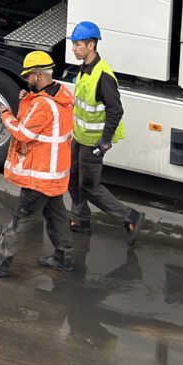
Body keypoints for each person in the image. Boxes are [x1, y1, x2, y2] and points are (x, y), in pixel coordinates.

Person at [0, 51, 77, 276]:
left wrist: (4, 115)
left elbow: (22, 132)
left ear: (38, 76)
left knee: (20, 220)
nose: (26, 80)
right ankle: (64, 258)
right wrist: (28, 98)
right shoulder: (61, 95)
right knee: (57, 217)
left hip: (38, 175)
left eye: (28, 77)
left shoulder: (43, 105)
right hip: (54, 174)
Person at [64, 21, 142, 236]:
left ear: (91, 45)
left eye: (78, 44)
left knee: (89, 186)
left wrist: (105, 140)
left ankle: (130, 216)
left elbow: (116, 110)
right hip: (80, 137)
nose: (74, 48)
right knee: (72, 177)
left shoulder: (103, 76)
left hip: (93, 142)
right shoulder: (85, 69)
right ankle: (80, 220)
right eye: (74, 44)